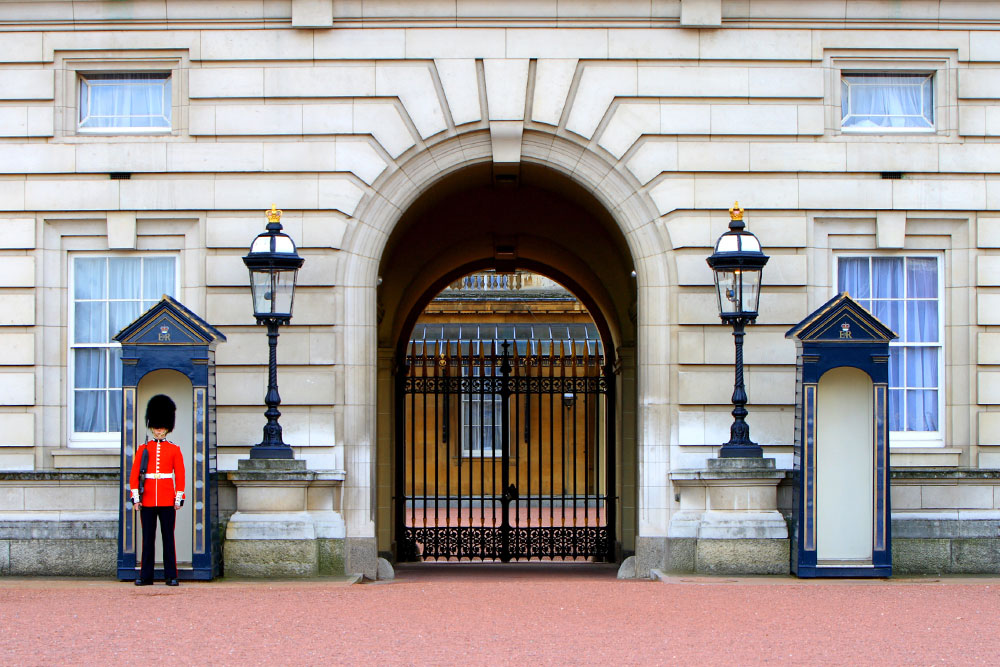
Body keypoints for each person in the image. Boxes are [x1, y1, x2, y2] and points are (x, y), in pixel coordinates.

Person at [129, 394, 185, 586]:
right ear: (152, 426)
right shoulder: (143, 448)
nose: (159, 429)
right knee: (148, 539)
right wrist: (136, 498)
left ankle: (171, 575)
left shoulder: (174, 449)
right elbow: (134, 475)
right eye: (156, 425)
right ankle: (146, 576)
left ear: (167, 427)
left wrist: (178, 498)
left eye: (162, 425)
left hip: (167, 499)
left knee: (168, 538)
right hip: (148, 499)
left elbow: (180, 474)